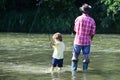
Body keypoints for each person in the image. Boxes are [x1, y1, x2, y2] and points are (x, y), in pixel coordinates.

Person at [71, 3, 96, 72]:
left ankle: (73, 72)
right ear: (89, 11)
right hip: (87, 41)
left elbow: (75, 30)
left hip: (77, 41)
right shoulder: (92, 20)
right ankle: (85, 73)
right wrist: (91, 39)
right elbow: (92, 33)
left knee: (75, 57)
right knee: (86, 58)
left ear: (82, 11)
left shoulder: (77, 19)